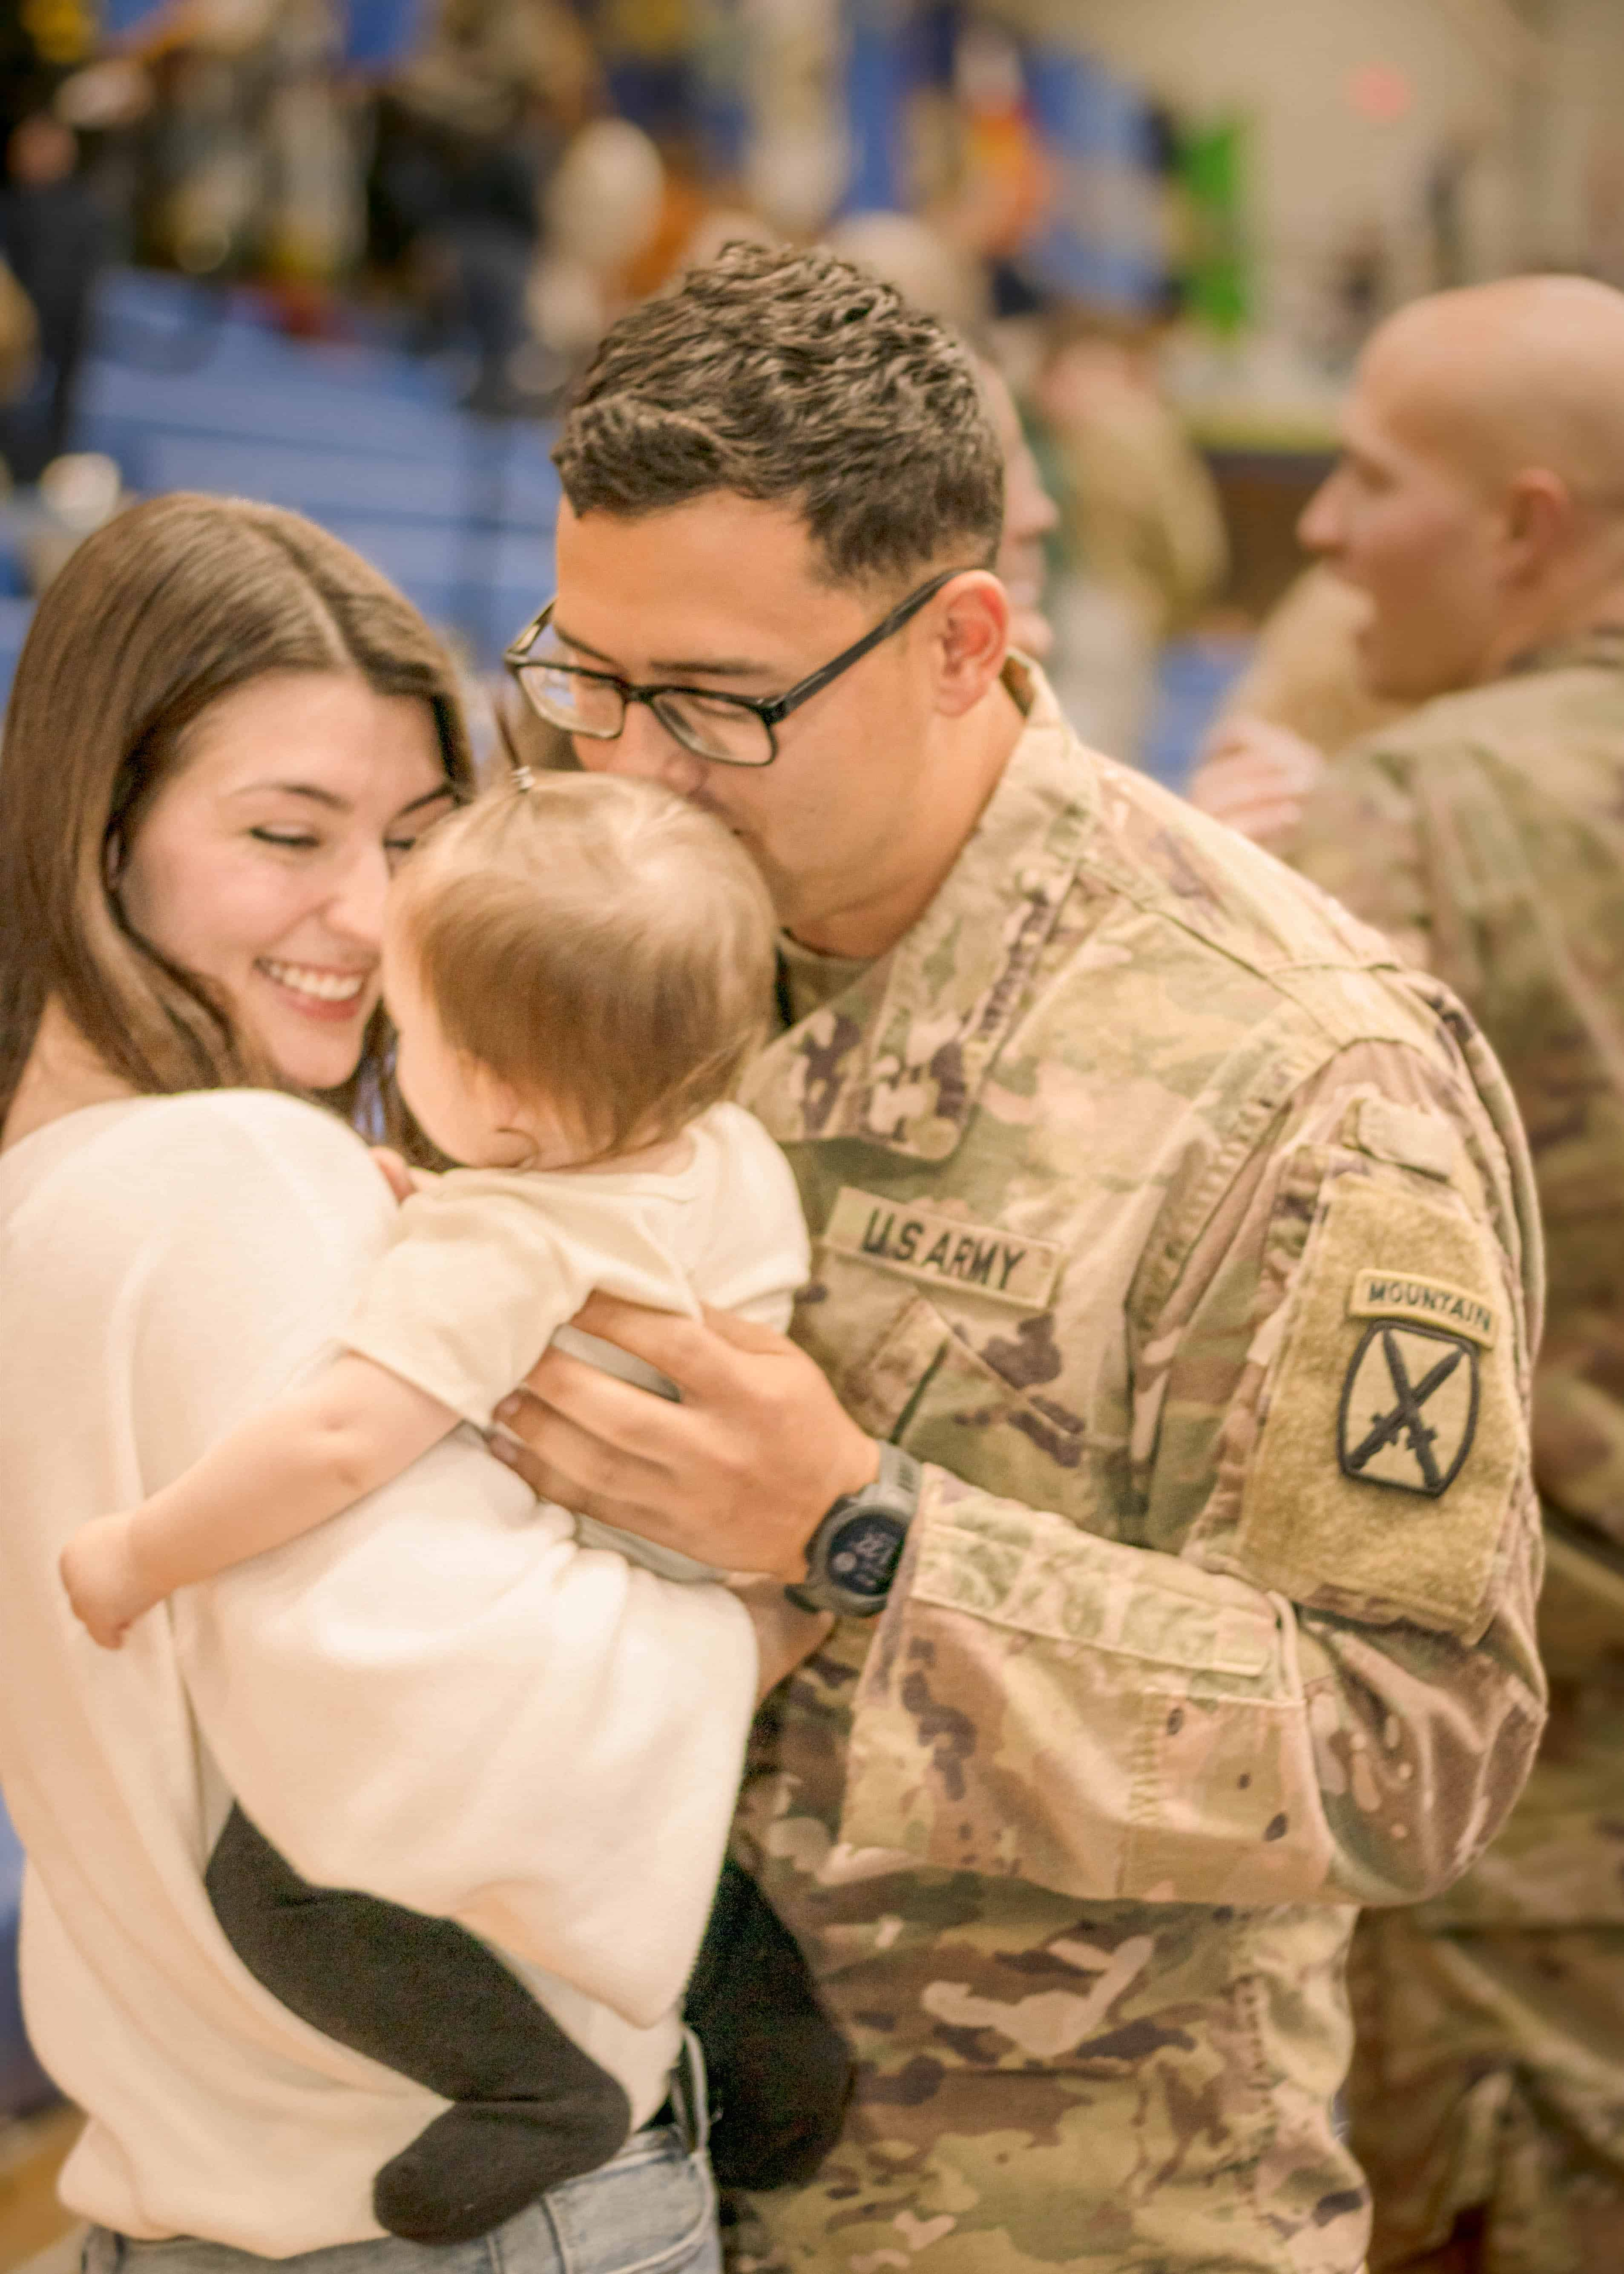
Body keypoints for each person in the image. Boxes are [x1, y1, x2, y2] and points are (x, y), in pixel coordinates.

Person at [485, 240, 1546, 2274]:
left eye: (709, 702)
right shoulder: (586, 904)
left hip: (1032, 2215)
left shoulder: (1291, 1073)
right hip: (594, 2183)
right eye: (582, 672)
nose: (622, 765)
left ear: (960, 639)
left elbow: (1409, 1745)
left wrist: (861, 1539)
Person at [0, 490, 826, 2271]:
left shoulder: (58, 1175)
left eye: (420, 837)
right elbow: (462, 1745)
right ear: (103, 829)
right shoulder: (240, 1177)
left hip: (184, 2193)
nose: (371, 919)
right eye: (285, 832)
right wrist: (781, 1598)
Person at [1190, 273, 1624, 2274]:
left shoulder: (1416, 815)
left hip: (1521, 1839)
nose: (1328, 527)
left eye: (1371, 479)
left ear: (1526, 524)